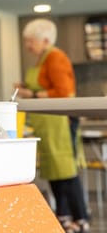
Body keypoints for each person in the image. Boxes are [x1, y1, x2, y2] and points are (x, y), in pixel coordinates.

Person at [15, 18, 89, 233]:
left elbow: (64, 93)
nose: (28, 46)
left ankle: (80, 218)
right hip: (46, 123)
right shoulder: (41, 60)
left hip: (60, 121)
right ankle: (63, 217)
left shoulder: (56, 57)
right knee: (53, 171)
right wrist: (27, 88)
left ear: (45, 40)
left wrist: (32, 93)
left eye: (31, 41)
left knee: (66, 171)